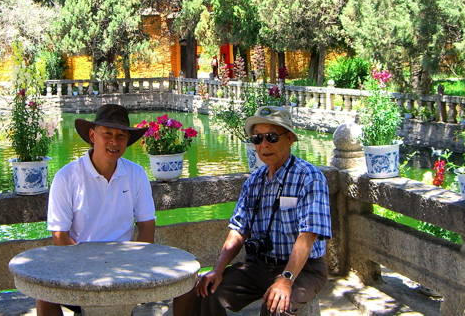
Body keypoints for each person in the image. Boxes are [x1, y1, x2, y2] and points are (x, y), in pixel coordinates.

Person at [173, 106, 331, 316]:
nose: (264, 144)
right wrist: (218, 269)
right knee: (205, 290)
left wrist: (286, 279)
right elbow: (238, 229)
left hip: (305, 269)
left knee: (276, 306)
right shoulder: (254, 181)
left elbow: (308, 234)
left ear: (290, 138)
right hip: (259, 265)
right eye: (257, 139)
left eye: (271, 137)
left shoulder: (309, 177)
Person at [38, 104, 157, 316]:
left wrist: (134, 264)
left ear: (127, 141)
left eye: (121, 136)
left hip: (125, 268)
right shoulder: (66, 177)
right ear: (93, 135)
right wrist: (90, 269)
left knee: (189, 280)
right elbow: (59, 235)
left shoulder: (136, 174)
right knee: (43, 293)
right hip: (80, 267)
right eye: (107, 134)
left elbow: (147, 225)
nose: (114, 141)